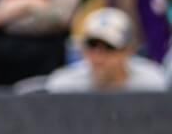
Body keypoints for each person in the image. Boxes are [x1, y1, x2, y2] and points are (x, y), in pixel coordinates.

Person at [40, 8, 168, 94]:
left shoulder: (152, 84)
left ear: (128, 50)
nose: (99, 57)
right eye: (92, 46)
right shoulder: (64, 86)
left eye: (109, 48)